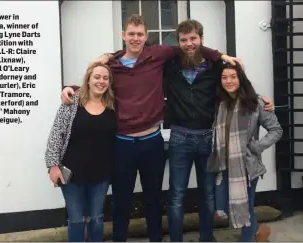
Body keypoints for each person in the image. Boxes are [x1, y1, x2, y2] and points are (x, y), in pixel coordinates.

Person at [60, 14, 240, 242]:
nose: (136, 38)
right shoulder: (113, 65)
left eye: (140, 34)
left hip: (152, 142)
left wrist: (222, 56)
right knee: (121, 200)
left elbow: (191, 47)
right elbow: (95, 84)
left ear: (147, 37)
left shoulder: (158, 55)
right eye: (131, 34)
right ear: (123, 35)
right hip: (122, 143)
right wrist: (71, 89)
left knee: (153, 198)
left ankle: (156, 239)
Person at [163, 19, 274, 242]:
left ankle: (207, 237)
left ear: (201, 39)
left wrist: (261, 99)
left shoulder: (216, 67)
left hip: (208, 138)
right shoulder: (170, 64)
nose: (189, 44)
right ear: (179, 42)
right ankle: (175, 239)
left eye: (193, 38)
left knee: (207, 195)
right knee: (176, 196)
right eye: (184, 40)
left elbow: (236, 83)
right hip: (179, 137)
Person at [206, 62, 283, 242]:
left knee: (245, 206)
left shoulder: (256, 103)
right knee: (235, 205)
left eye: (233, 77)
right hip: (224, 165)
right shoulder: (220, 104)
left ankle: (247, 239)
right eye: (224, 77)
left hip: (247, 167)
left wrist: (256, 147)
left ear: (241, 79)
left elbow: (276, 130)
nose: (228, 81)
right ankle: (258, 233)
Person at [45, 63, 116, 242]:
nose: (101, 81)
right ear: (88, 80)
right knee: (76, 220)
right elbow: (56, 135)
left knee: (97, 219)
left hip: (101, 174)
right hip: (71, 174)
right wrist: (52, 166)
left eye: (105, 78)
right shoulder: (72, 103)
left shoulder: (112, 105)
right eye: (97, 77)